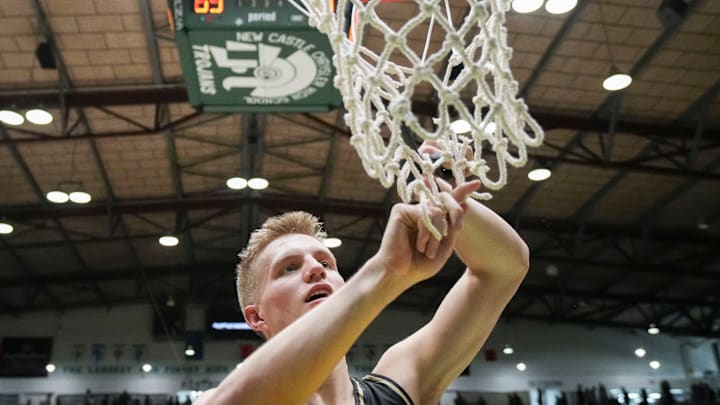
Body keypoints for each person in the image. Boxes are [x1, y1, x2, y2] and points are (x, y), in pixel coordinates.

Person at [195, 143, 530, 405]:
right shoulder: (218, 399)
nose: (315, 269)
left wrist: (440, 191)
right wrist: (385, 274)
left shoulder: (399, 386)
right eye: (289, 268)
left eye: (327, 263)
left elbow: (502, 270)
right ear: (256, 317)